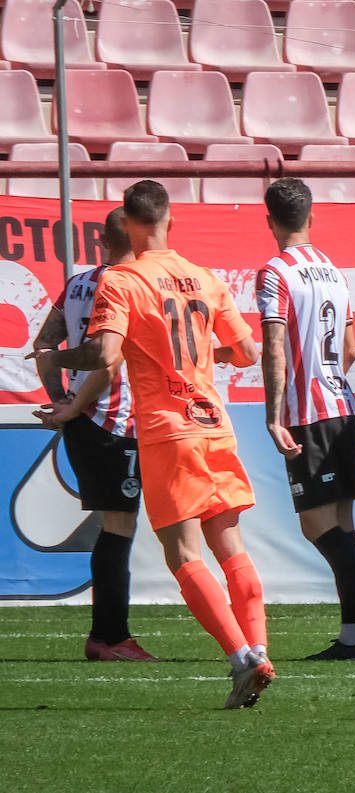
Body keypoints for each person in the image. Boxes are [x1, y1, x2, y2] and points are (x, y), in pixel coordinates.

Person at [31, 181, 273, 708]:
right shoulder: (206, 278)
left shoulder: (121, 280)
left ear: (128, 223)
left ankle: (240, 658)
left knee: (182, 552)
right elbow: (248, 351)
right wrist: (202, 358)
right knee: (230, 544)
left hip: (167, 430)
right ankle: (259, 647)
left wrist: (56, 361)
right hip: (214, 424)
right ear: (169, 221)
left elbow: (104, 355)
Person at [256, 178, 355, 661]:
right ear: (311, 217)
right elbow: (353, 347)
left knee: (317, 526)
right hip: (343, 405)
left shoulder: (275, 273)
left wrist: (274, 413)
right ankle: (353, 635)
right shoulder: (333, 271)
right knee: (340, 524)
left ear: (271, 219)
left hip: (308, 413)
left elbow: (275, 346)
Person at [30, 208, 156, 662]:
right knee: (119, 525)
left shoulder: (79, 282)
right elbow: (111, 359)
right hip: (114, 419)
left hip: (86, 418)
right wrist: (76, 406)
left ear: (101, 238)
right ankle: (109, 637)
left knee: (116, 523)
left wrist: (62, 402)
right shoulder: (130, 283)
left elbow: (44, 345)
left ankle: (109, 634)